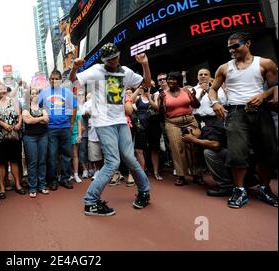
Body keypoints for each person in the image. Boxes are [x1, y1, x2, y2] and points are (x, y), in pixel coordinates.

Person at [69, 42, 152, 216]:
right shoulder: (96, 70)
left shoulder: (126, 72)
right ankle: (91, 201)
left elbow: (146, 83)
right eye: (109, 60)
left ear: (119, 56)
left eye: (115, 58)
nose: (113, 62)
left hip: (121, 121)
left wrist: (144, 63)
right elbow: (73, 80)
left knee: (129, 158)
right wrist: (74, 68)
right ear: (103, 60)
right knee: (113, 162)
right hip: (102, 122)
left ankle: (144, 191)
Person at [209, 31, 278, 208]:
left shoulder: (264, 63)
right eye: (229, 48)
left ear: (247, 44)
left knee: (266, 151)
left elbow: (275, 87)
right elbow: (212, 89)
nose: (232, 50)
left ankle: (264, 188)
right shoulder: (224, 68)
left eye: (235, 46)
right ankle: (239, 190)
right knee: (236, 153)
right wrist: (215, 102)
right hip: (235, 113)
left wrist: (263, 95)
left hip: (260, 111)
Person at [159, 71, 203, 186]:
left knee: (193, 147)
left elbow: (196, 105)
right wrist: (161, 101)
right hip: (172, 123)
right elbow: (161, 112)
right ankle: (181, 175)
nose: (170, 81)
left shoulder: (186, 91)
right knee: (177, 148)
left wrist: (193, 97)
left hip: (190, 120)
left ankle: (196, 174)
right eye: (169, 79)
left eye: (173, 79)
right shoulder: (163, 94)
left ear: (178, 80)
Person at [38, 70, 78, 190]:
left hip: (65, 127)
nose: (54, 81)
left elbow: (74, 106)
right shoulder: (44, 92)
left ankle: (65, 179)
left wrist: (71, 123)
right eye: (52, 79)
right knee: (52, 156)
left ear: (60, 80)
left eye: (56, 79)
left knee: (67, 155)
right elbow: (35, 105)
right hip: (50, 129)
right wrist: (42, 117)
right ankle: (53, 180)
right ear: (49, 79)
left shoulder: (67, 92)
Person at [22, 87, 50, 198]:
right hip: (30, 137)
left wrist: (34, 118)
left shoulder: (42, 107)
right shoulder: (25, 107)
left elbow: (47, 119)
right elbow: (27, 121)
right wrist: (40, 118)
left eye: (36, 93)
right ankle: (33, 187)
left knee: (42, 161)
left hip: (43, 136)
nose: (34, 95)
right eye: (32, 94)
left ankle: (42, 185)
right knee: (32, 162)